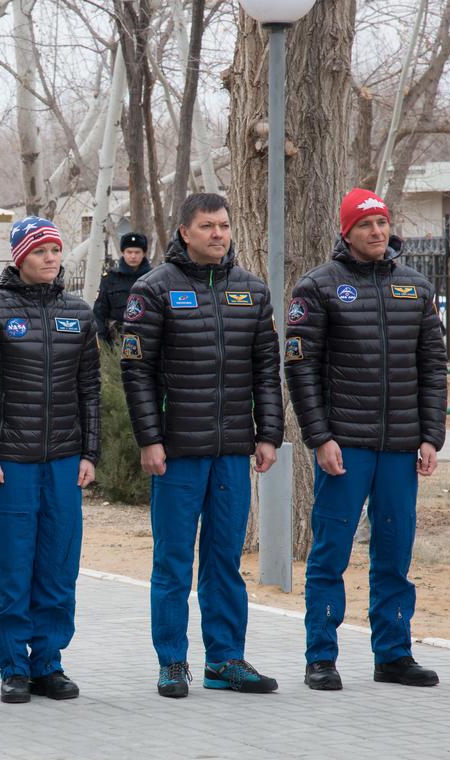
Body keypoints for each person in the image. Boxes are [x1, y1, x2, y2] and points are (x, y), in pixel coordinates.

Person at [120, 193, 283, 697]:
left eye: (225, 226)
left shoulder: (251, 292)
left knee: (225, 560)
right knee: (173, 561)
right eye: (208, 226)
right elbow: (136, 371)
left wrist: (268, 434)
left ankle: (225, 660)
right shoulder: (153, 290)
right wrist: (150, 439)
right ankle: (173, 661)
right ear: (184, 232)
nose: (219, 234)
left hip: (232, 451)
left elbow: (265, 370)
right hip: (177, 453)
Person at [285, 188, 447, 691]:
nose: (376, 232)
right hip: (345, 446)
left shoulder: (415, 288)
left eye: (381, 223)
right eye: (364, 225)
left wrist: (431, 435)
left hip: (401, 446)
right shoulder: (318, 287)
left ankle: (393, 655)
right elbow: (300, 367)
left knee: (395, 551)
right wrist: (320, 437)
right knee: (331, 551)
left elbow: (432, 367)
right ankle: (321, 657)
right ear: (346, 232)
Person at [0, 217, 100, 703]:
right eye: (41, 251)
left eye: (57, 250)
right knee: (13, 567)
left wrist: (90, 453)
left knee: (58, 566)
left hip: (63, 460)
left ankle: (48, 663)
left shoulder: (78, 313)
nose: (52, 258)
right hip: (10, 463)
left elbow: (90, 391)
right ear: (19, 257)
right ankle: (14, 665)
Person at [92, 232, 151, 344]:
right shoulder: (110, 278)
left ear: (144, 253)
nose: (133, 256)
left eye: (137, 252)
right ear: (123, 252)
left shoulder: (154, 277)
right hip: (117, 343)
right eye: (129, 252)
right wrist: (103, 345)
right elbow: (99, 313)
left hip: (148, 342)